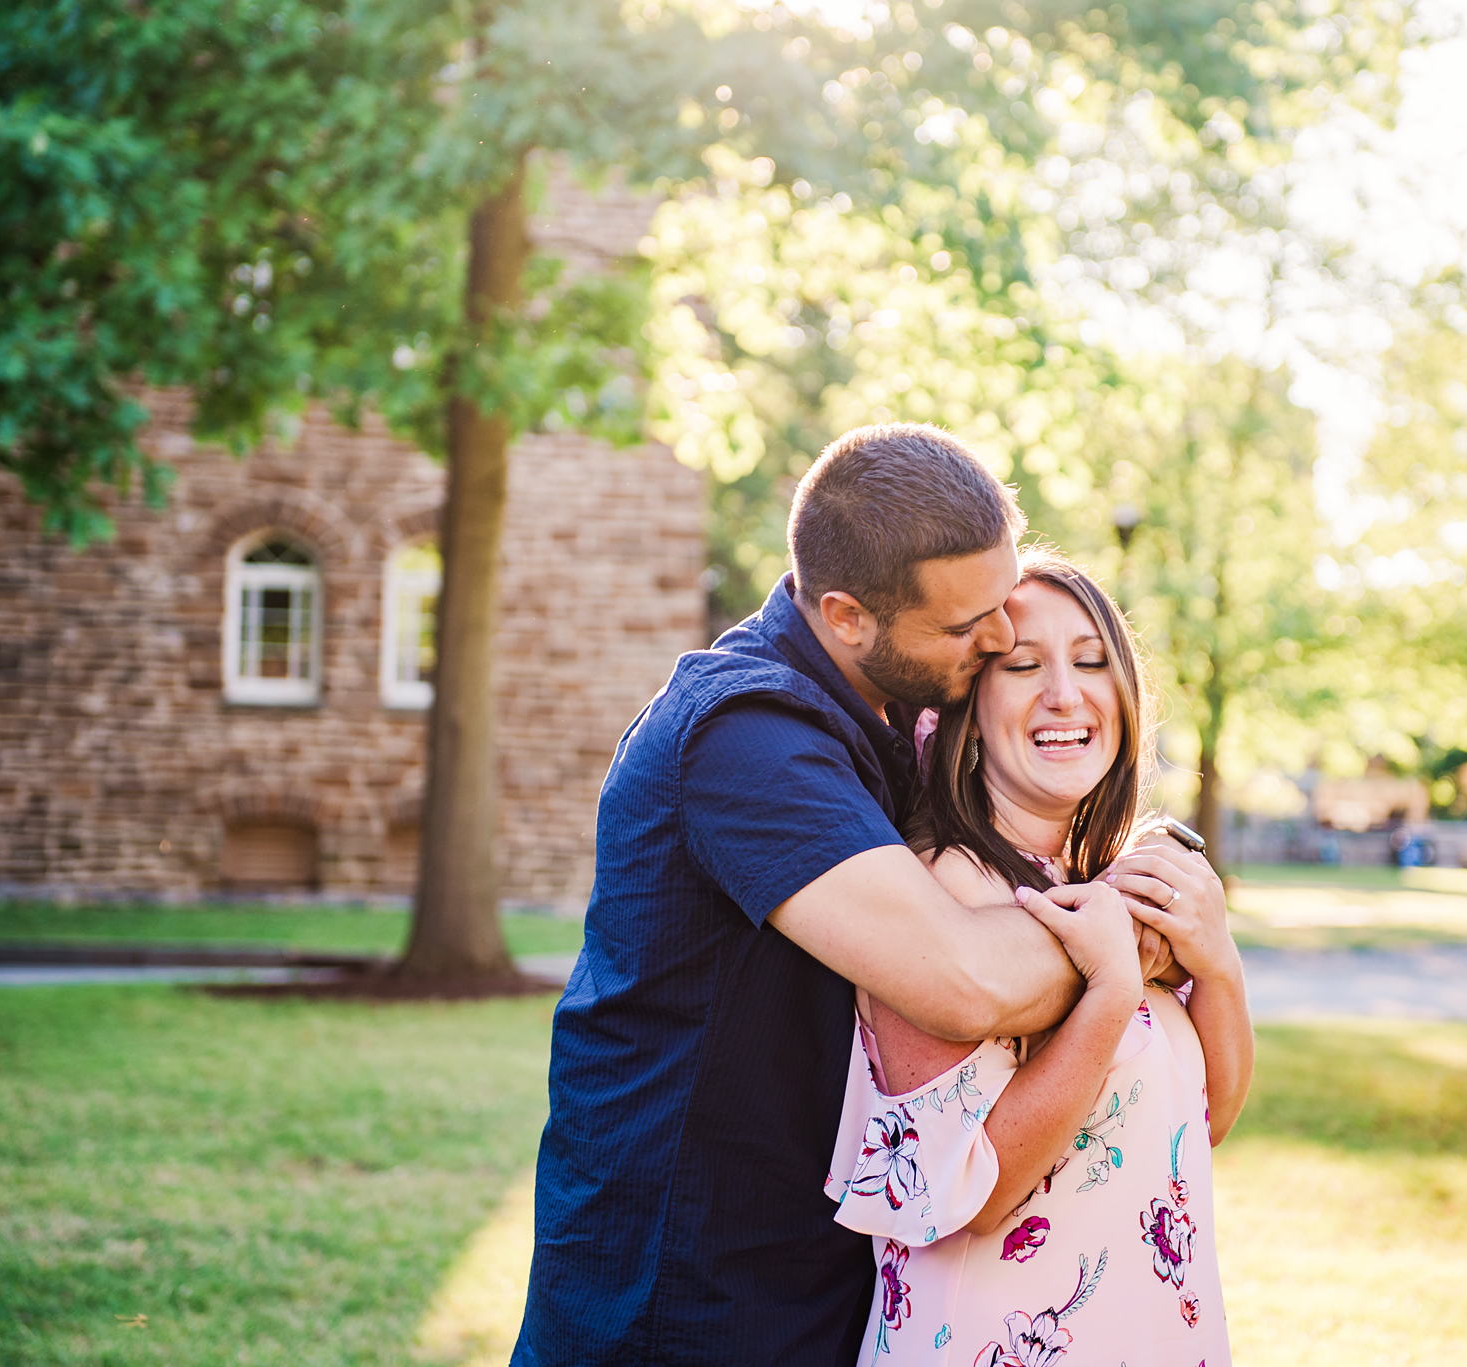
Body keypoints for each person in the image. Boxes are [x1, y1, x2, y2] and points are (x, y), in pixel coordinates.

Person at [511, 424, 1227, 1366]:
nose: (1003, 636)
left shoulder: (893, 714)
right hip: (682, 1297)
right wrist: (1138, 928)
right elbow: (964, 978)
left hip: (823, 1285)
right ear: (847, 616)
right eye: (970, 626)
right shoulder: (747, 736)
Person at [826, 550, 1253, 1367]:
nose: (1066, 691)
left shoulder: (1113, 883)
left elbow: (1211, 1117)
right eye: (1023, 664)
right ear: (966, 708)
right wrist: (1109, 993)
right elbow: (972, 1191)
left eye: (1092, 660)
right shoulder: (943, 896)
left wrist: (1217, 958)